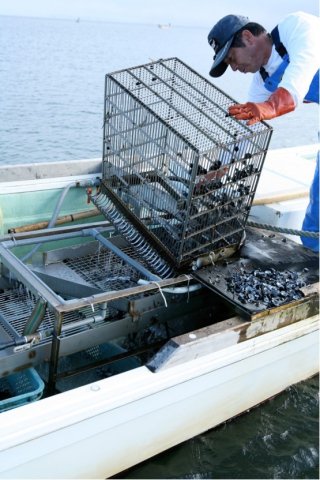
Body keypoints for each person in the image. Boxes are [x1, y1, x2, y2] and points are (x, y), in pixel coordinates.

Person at [207, 11, 319, 252]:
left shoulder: (298, 26)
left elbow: (298, 80)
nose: (235, 68)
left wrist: (269, 107)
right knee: (316, 216)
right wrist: (216, 170)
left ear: (248, 37)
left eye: (231, 59)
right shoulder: (262, 82)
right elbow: (246, 134)